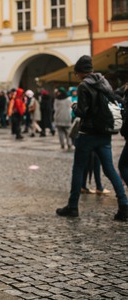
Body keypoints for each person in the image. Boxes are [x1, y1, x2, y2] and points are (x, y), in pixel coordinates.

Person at [56, 55, 128, 221]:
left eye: (76, 74)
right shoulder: (104, 82)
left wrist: (74, 106)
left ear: (80, 72)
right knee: (109, 170)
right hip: (104, 134)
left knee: (78, 169)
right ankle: (124, 205)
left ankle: (72, 206)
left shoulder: (83, 86)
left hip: (88, 134)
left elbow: (81, 112)